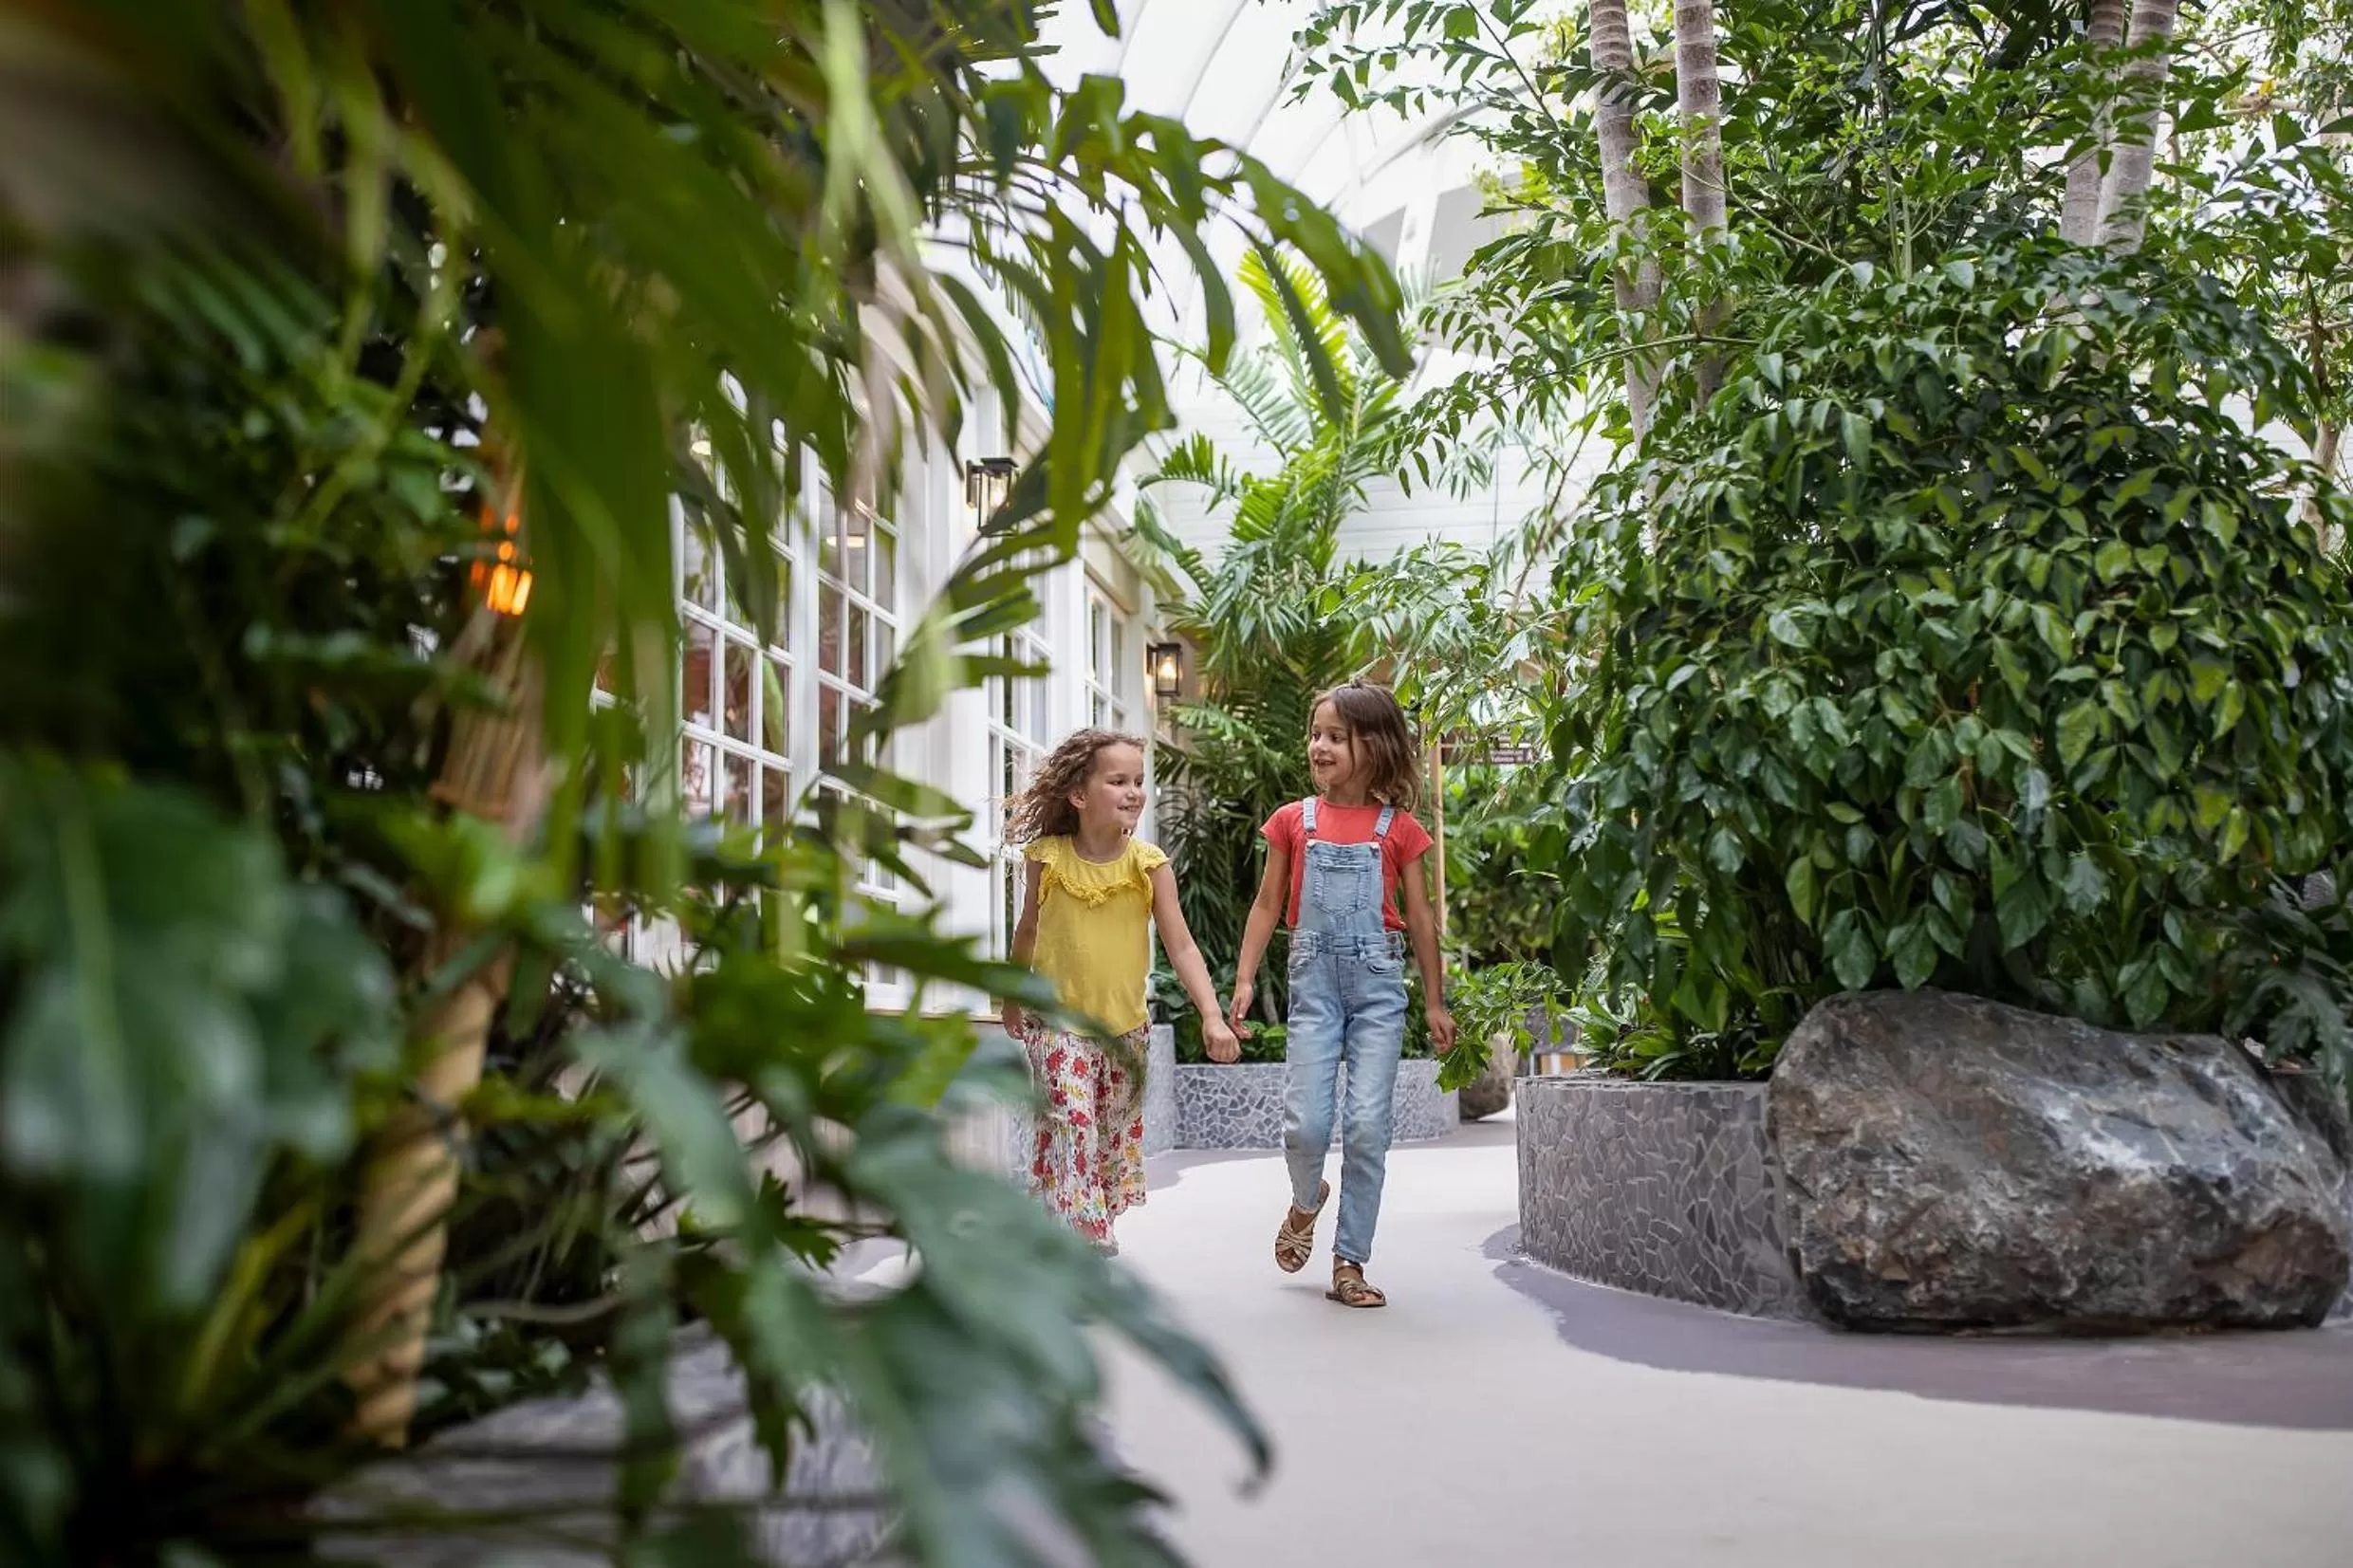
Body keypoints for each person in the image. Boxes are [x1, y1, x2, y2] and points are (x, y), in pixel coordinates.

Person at [1227, 681, 1455, 1307]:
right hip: (1316, 991)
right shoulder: (1291, 821)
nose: (1318, 745)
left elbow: (1421, 916)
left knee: (1366, 1127)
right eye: (1315, 733)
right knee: (1306, 1124)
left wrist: (1435, 1000)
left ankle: (1349, 1260)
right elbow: (1268, 903)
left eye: (1334, 736)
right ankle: (1306, 1200)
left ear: (1373, 746)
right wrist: (1245, 977)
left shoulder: (1400, 830)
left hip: (1379, 992)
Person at [1004, 729, 1238, 1254]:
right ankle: (1083, 1227)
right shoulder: (1047, 857)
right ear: (1079, 795)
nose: (1134, 791)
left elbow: (1181, 946)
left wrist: (1211, 1014)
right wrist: (1011, 994)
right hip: (1057, 1021)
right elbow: (1028, 931)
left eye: (1138, 780)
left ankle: (1075, 1220)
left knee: (1107, 1141)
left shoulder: (1148, 866)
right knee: (1071, 1118)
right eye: (1118, 781)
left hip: (1124, 1029)